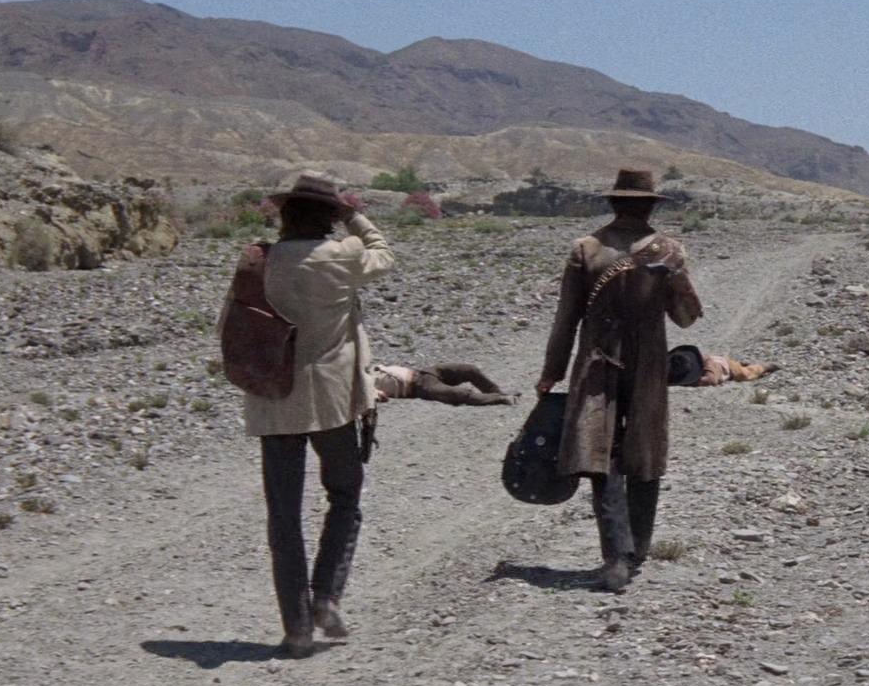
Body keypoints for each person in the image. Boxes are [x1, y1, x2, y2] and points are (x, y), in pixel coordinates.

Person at [231, 171, 393, 658]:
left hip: (272, 397)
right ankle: (326, 595)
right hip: (331, 400)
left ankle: (297, 629)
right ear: (329, 215)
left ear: (285, 214)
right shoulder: (343, 254)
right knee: (345, 495)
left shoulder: (258, 260)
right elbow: (384, 254)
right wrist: (355, 216)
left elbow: (230, 324)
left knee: (283, 517)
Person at [537, 169, 702, 592]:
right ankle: (638, 548)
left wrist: (551, 373)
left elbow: (565, 320)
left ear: (613, 204)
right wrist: (675, 275)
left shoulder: (586, 249)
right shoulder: (670, 250)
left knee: (600, 453)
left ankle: (616, 556)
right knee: (645, 450)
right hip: (648, 364)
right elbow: (686, 318)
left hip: (596, 363)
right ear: (650, 207)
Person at [371, 362, 518, 406]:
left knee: (469, 370)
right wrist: (376, 395)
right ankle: (501, 399)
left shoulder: (367, 371)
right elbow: (379, 397)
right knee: (461, 394)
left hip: (425, 372)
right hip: (420, 388)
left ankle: (498, 392)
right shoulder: (364, 389)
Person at [665, 345, 779, 388]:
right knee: (738, 367)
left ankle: (765, 367)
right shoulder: (677, 369)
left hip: (728, 368)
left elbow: (712, 380)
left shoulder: (706, 377)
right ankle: (742, 364)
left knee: (747, 374)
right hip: (719, 362)